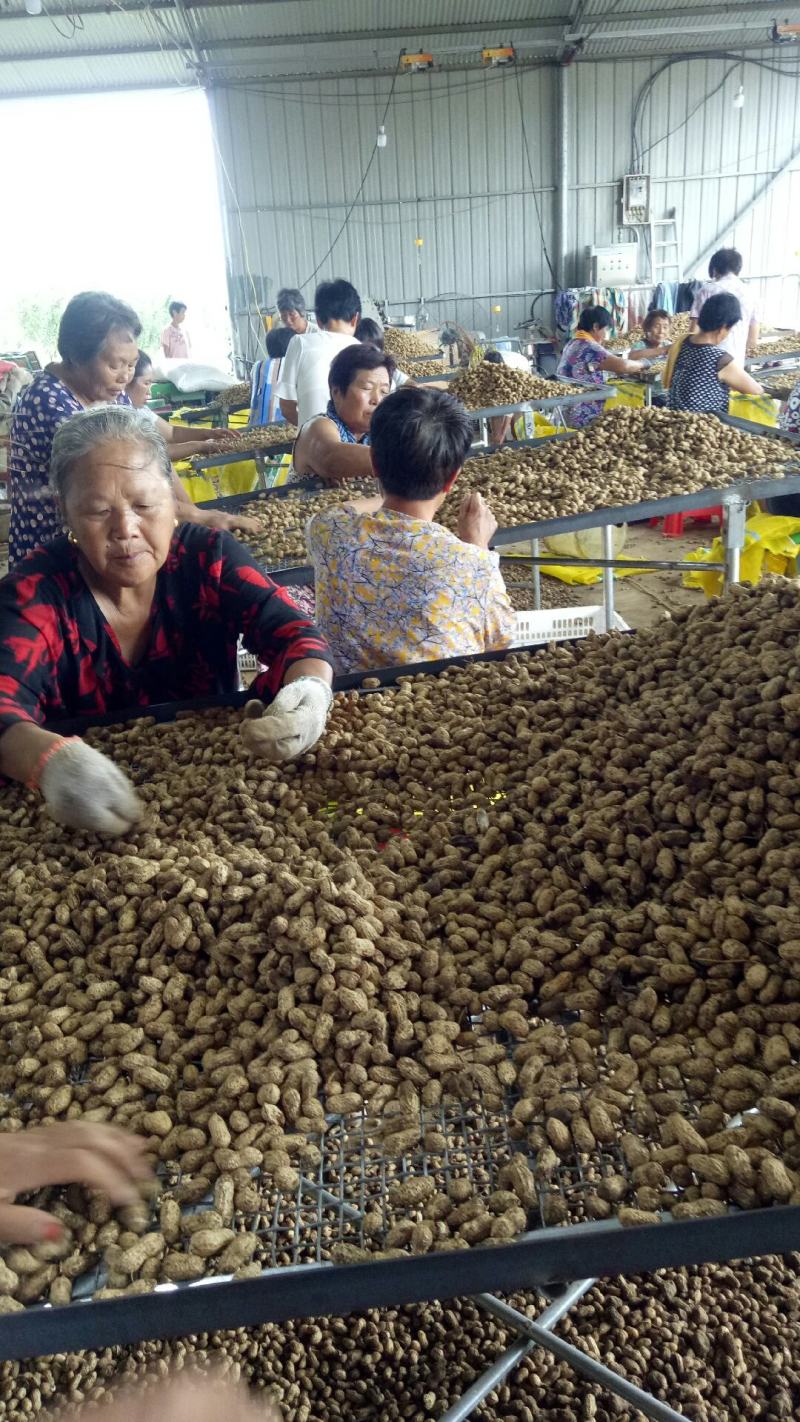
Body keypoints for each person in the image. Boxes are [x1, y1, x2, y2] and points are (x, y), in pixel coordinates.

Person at [0, 405, 334, 834]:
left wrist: (310, 690)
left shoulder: (208, 558)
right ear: (66, 513)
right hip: (77, 820)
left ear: (173, 500)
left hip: (220, 801)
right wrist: (47, 762)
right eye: (99, 511)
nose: (126, 529)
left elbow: (294, 633)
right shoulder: (34, 595)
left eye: (144, 504)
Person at [307, 384, 514, 672]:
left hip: (349, 709)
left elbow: (342, 509)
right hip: (438, 707)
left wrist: (388, 488)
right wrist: (477, 543)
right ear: (452, 478)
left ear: (374, 463)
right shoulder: (471, 562)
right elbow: (501, 642)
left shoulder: (327, 530)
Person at [8, 290, 141, 569]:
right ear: (77, 356)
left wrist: (191, 511)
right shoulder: (46, 402)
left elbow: (150, 451)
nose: (125, 376)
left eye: (132, 364)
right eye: (115, 364)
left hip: (96, 537)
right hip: (56, 554)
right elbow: (114, 476)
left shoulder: (109, 391)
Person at [126, 353, 262, 536]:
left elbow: (172, 433)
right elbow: (156, 456)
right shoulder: (119, 420)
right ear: (126, 380)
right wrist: (201, 446)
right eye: (146, 383)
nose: (149, 391)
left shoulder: (140, 411)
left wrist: (208, 434)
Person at [292, 343, 393, 483]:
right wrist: (411, 459)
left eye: (384, 392)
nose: (377, 400)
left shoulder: (379, 433)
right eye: (366, 388)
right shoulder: (317, 426)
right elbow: (330, 458)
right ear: (336, 392)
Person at [277, 278, 361, 427]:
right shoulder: (365, 352)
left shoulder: (299, 343)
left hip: (311, 446)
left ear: (318, 320)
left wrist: (308, 428)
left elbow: (286, 407)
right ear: (355, 319)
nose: (288, 321)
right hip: (357, 448)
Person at [664, 292, 764, 415]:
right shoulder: (719, 359)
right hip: (702, 428)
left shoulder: (683, 342)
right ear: (723, 328)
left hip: (672, 421)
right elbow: (756, 390)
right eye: (730, 329)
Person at [556, 306, 642, 426]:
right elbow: (624, 366)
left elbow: (588, 368)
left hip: (565, 412)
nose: (606, 335)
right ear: (596, 327)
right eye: (606, 329)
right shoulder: (590, 347)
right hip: (582, 414)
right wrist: (644, 364)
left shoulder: (572, 343)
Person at [690, 248, 759, 367]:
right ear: (738, 268)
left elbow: (693, 330)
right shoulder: (751, 293)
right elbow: (753, 338)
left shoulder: (707, 290)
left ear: (715, 269)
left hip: (706, 361)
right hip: (735, 362)